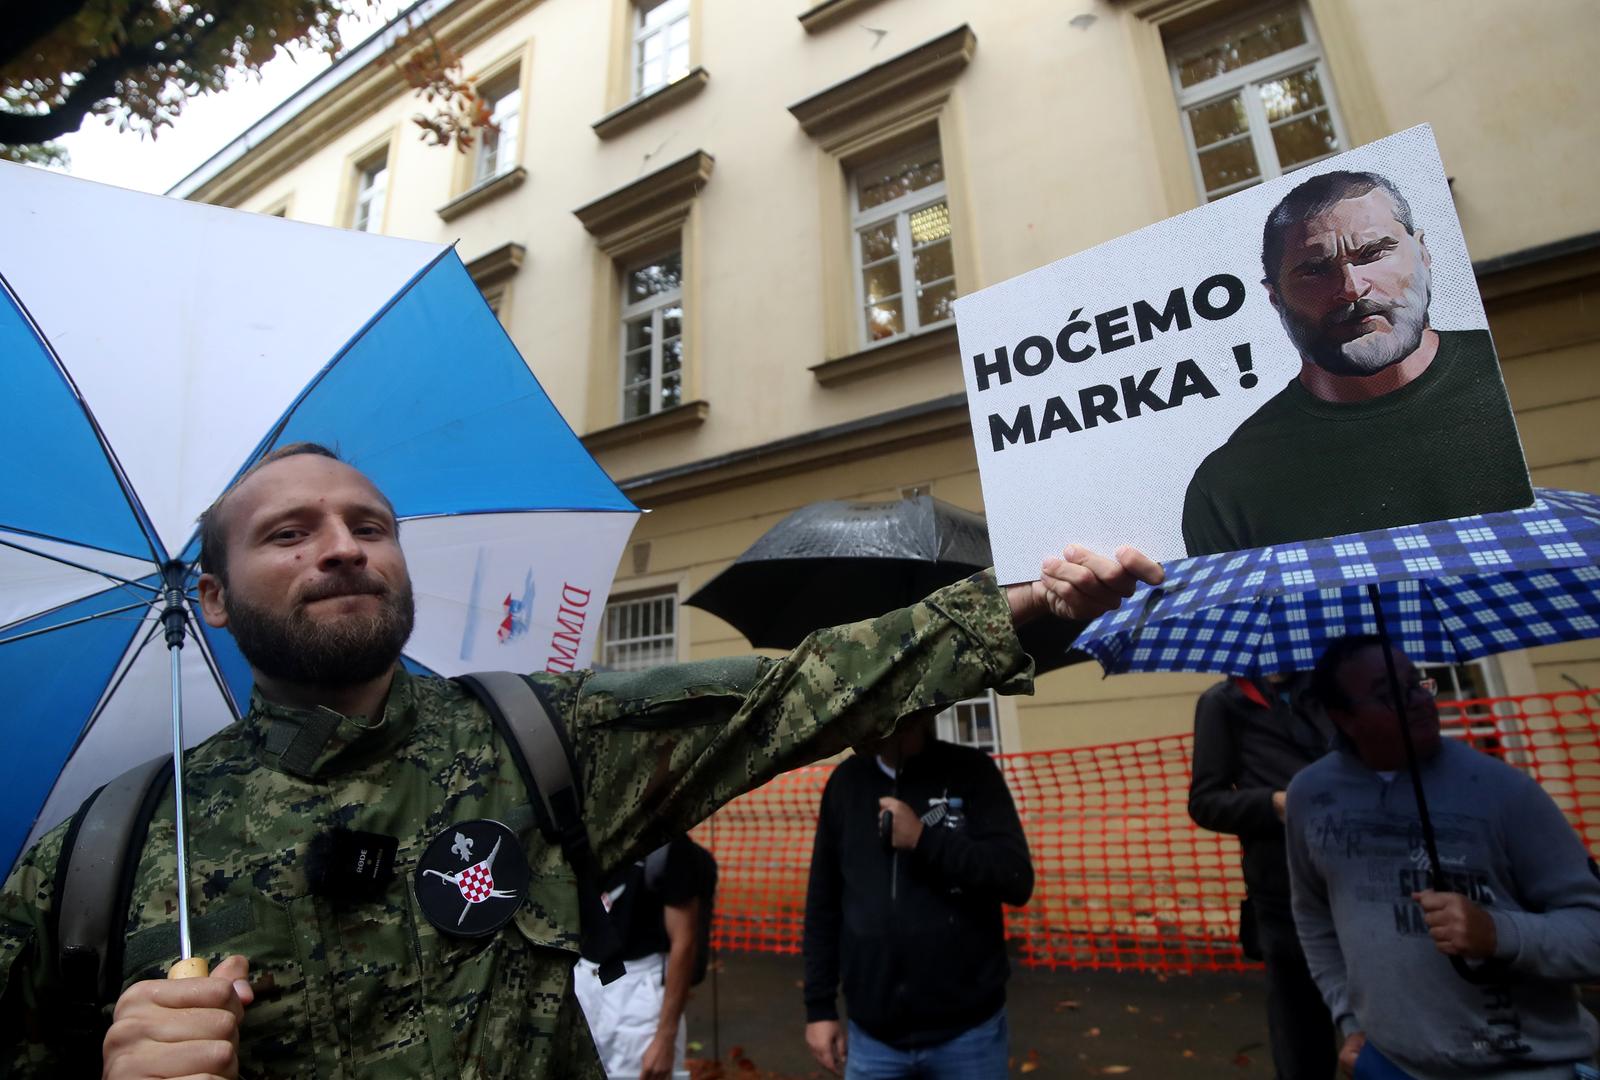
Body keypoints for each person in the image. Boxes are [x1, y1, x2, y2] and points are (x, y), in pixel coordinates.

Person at [0, 442, 1162, 1079]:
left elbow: (795, 694)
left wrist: (1029, 611)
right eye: (288, 534)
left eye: (368, 524)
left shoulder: (535, 739)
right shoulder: (105, 853)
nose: (342, 548)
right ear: (208, 595)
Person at [1287, 634, 1600, 1078]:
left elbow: (1594, 932)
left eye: (1416, 683)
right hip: (1387, 1062)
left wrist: (1497, 932)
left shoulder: (1504, 792)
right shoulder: (1310, 795)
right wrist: (1349, 1019)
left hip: (1522, 1066)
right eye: (1388, 694)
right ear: (1343, 717)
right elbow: (1315, 916)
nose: (1416, 700)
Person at [1182, 170, 1533, 557]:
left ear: (1423, 254)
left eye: (1374, 253)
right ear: (1275, 298)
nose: (1351, 288)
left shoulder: (1524, 381)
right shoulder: (1228, 484)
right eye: (1315, 270)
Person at [801, 709, 1031, 1079]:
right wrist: (819, 1009)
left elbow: (1015, 879)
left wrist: (924, 840)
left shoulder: (972, 771)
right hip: (873, 1038)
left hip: (968, 1034)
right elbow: (823, 904)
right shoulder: (846, 783)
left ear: (910, 714)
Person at [1188, 674, 1337, 1079]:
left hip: (1358, 878)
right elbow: (1205, 803)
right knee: (1302, 1035)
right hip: (1282, 891)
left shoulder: (1331, 688)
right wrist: (1273, 805)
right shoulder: (1223, 703)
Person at [574, 836, 712, 1080]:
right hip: (582, 979)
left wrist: (665, 1037)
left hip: (639, 994)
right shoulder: (581, 826)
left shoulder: (670, 844)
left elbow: (684, 942)